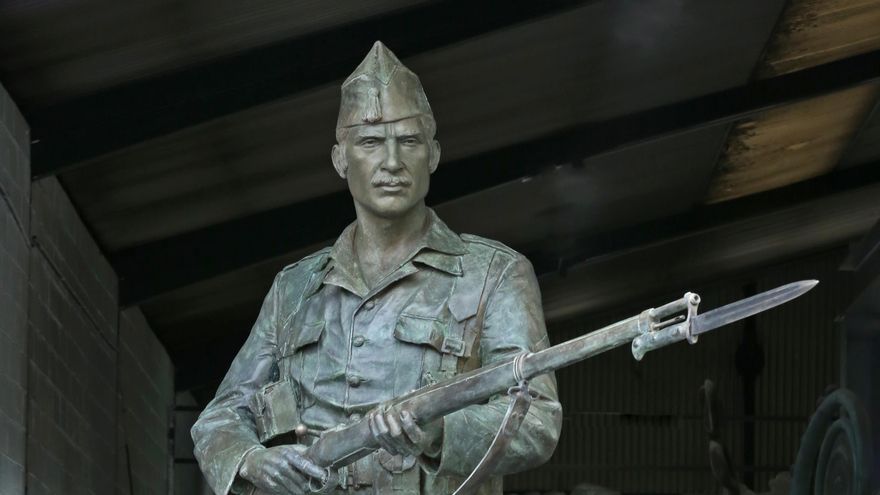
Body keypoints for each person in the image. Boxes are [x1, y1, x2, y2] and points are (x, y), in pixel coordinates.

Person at [191, 41, 562, 495]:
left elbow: (537, 418)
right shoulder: (294, 290)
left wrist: (439, 430)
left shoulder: (494, 274)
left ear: (434, 155)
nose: (391, 162)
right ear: (340, 159)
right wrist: (252, 460)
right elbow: (222, 414)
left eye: (409, 142)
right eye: (370, 142)